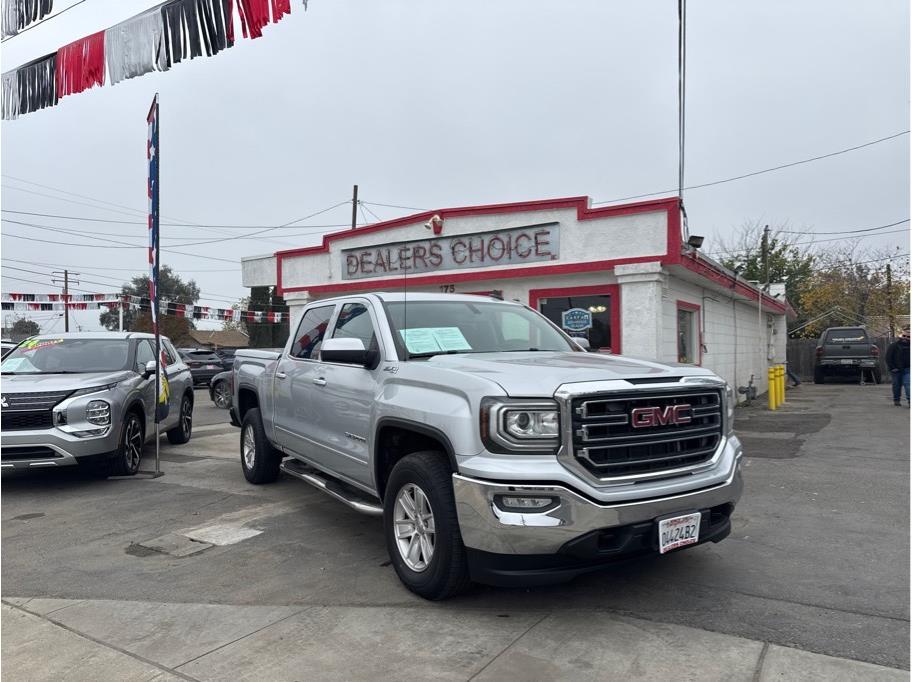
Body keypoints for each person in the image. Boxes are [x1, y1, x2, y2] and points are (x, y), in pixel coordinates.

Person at [885, 327, 910, 406]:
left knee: (908, 384)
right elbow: (888, 357)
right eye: (904, 336)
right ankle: (896, 400)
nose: (905, 338)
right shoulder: (894, 346)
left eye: (908, 337)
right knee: (896, 385)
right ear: (901, 336)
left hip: (908, 369)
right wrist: (892, 368)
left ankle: (910, 401)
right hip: (896, 369)